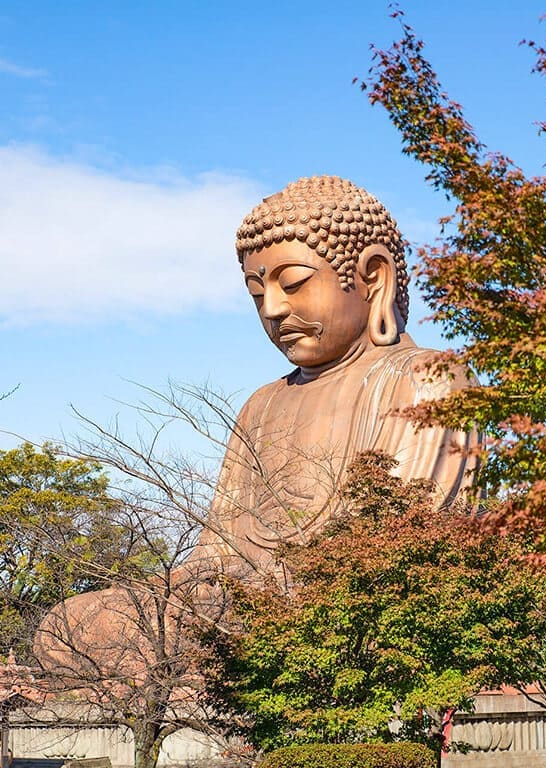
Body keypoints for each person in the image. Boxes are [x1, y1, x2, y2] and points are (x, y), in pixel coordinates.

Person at [33, 176, 475, 677]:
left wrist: (256, 593)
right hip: (246, 605)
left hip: (350, 608)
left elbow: (394, 543)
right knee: (65, 626)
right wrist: (187, 591)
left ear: (373, 276)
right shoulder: (262, 405)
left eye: (294, 283)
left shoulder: (427, 379)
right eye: (256, 292)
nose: (273, 308)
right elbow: (214, 555)